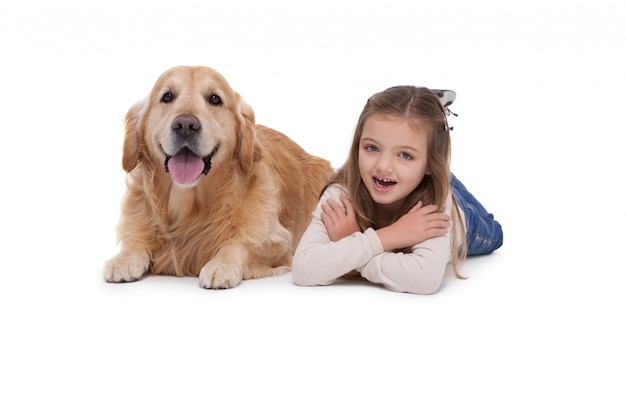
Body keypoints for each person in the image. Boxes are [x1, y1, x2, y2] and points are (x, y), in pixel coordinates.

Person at [291, 86, 503, 294]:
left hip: (461, 218)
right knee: (419, 170)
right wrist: (389, 236)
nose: (383, 166)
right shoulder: (341, 195)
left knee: (496, 234)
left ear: (430, 163)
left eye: (405, 155)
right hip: (415, 177)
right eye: (372, 148)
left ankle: (439, 161)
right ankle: (425, 127)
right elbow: (304, 269)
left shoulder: (435, 203)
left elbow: (423, 279)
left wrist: (351, 246)